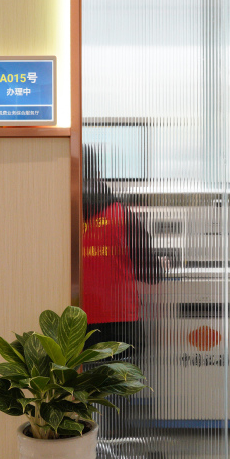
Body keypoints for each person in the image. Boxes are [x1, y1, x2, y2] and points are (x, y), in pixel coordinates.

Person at [81, 146, 164, 355]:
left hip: (75, 325)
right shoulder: (124, 216)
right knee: (124, 374)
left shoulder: (60, 215)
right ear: (98, 174)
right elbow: (152, 274)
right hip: (122, 323)